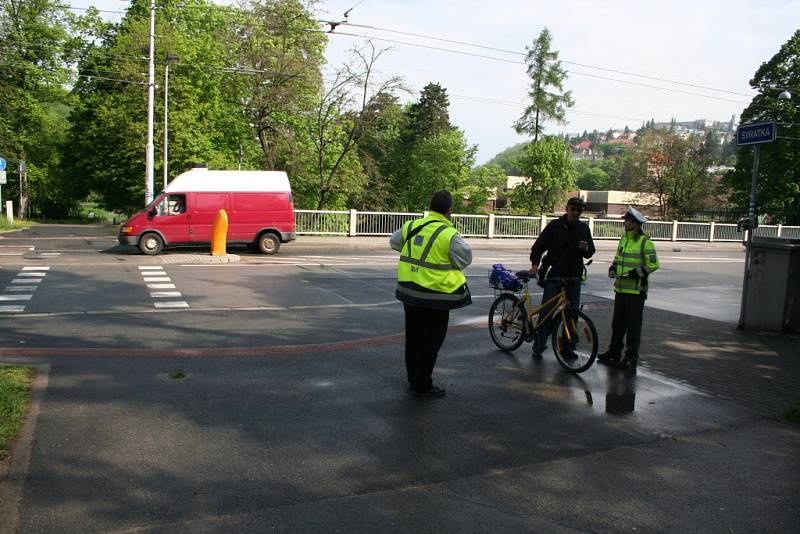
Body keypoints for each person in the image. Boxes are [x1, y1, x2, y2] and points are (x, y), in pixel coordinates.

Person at [390, 190, 473, 398]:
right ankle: (422, 385)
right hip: (436, 297)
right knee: (431, 341)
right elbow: (465, 258)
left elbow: (394, 242)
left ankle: (413, 378)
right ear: (449, 210)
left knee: (414, 338)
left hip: (409, 292)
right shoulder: (449, 235)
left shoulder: (413, 225)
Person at [528, 197, 595, 358]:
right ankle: (539, 345)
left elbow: (591, 251)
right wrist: (535, 266)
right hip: (555, 275)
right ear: (567, 209)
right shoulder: (555, 226)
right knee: (547, 312)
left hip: (574, 276)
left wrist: (586, 249)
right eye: (573, 209)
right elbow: (538, 247)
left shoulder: (583, 228)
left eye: (579, 210)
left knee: (571, 313)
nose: (576, 213)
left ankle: (568, 348)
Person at [597, 206, 660, 373]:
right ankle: (614, 352)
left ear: (635, 223)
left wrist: (635, 273)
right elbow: (618, 257)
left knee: (633, 327)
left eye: (628, 220)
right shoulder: (624, 239)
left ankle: (631, 358)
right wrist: (612, 267)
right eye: (625, 220)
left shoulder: (645, 242)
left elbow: (653, 264)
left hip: (636, 292)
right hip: (621, 290)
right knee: (617, 324)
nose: (625, 223)